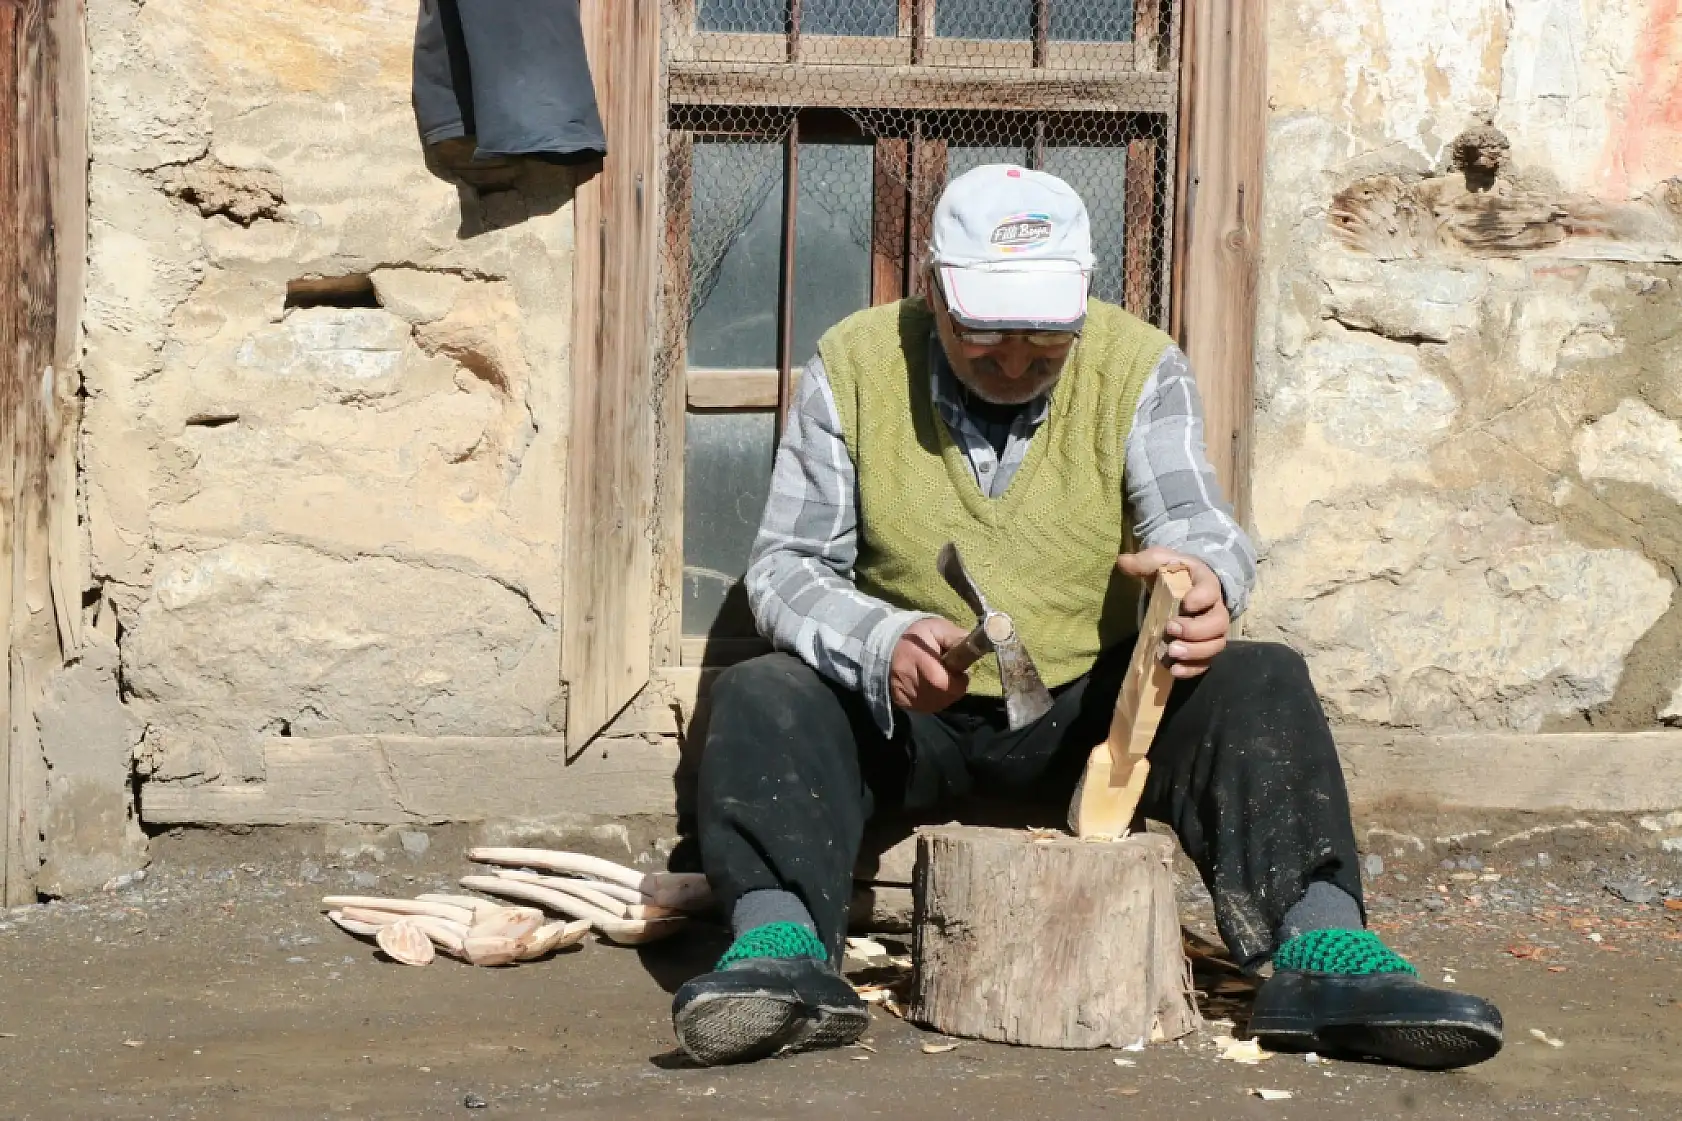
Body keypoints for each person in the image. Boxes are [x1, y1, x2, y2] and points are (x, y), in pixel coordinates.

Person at [671, 165, 1503, 1070]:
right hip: (910, 719)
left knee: (1262, 677)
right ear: (934, 291)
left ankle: (1323, 953)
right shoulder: (855, 365)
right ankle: (782, 956)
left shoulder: (1138, 364)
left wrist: (1203, 581)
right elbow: (787, 565)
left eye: (1046, 339)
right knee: (763, 692)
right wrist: (883, 641)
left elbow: (1197, 523)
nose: (1014, 362)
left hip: (1092, 719)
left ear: (1082, 303)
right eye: (984, 334)